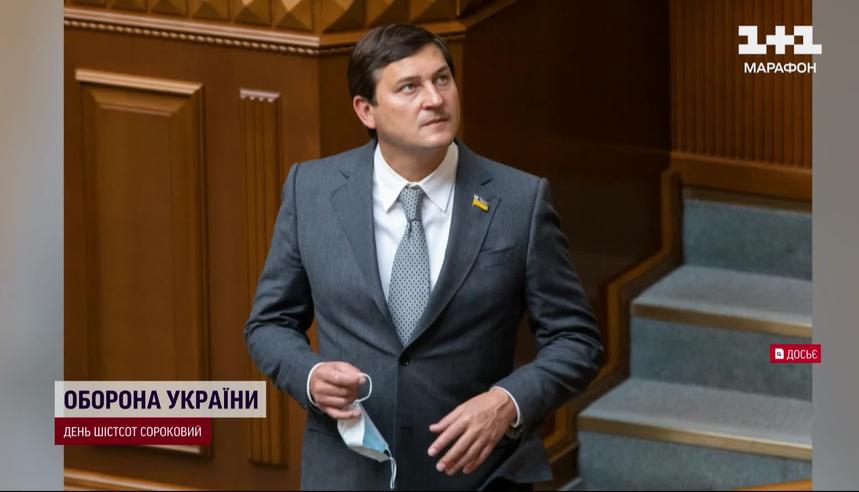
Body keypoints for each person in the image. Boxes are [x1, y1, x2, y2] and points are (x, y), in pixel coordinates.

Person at [245, 23, 604, 491]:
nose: (435, 99)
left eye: (442, 80)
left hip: (477, 477)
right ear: (366, 110)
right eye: (409, 87)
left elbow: (576, 340)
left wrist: (507, 402)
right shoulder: (311, 190)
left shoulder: (520, 200)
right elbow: (269, 324)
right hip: (349, 473)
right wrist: (309, 376)